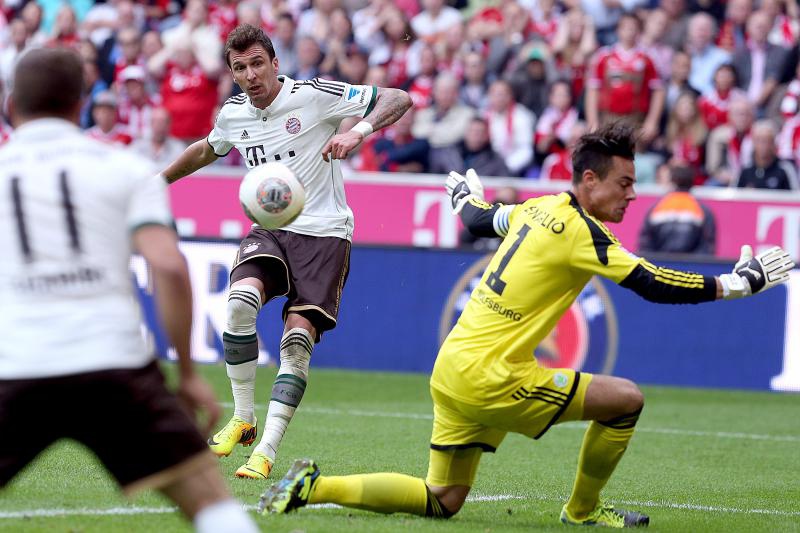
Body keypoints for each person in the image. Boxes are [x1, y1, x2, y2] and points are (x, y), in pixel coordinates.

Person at [259, 123, 795, 528]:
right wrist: (738, 284)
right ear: (590, 180)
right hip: (492, 377)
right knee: (626, 400)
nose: (633, 194)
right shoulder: (581, 230)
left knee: (443, 499)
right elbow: (651, 282)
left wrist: (463, 198)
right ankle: (582, 511)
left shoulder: (536, 208)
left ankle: (312, 487)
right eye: (625, 183)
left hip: (452, 368)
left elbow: (479, 219)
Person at [0, 48, 258, 533]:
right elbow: (168, 266)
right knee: (210, 501)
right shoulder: (125, 168)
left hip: (13, 364)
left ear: (11, 105)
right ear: (80, 105)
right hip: (111, 363)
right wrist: (187, 373)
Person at [159, 24, 412, 480]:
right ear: (232, 73)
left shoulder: (313, 95)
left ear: (275, 63)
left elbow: (398, 97)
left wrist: (358, 132)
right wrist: (157, 182)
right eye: (240, 68)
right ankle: (242, 418)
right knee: (239, 303)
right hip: (272, 228)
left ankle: (266, 450)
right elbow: (207, 150)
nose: (251, 75)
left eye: (258, 63)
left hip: (325, 233)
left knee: (296, 343)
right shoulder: (233, 113)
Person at [638, 165, 716, 254]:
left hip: (659, 261)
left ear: (672, 182)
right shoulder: (703, 210)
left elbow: (645, 244)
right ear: (691, 183)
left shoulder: (656, 208)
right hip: (691, 262)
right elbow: (707, 247)